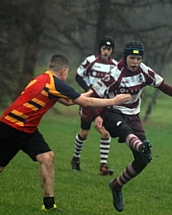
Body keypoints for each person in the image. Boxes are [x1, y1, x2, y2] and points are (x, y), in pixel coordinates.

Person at [0, 54, 131, 211]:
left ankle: (49, 205)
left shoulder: (43, 79)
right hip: (12, 127)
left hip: (26, 128)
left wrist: (94, 90)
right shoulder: (55, 84)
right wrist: (114, 101)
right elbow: (85, 102)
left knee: (47, 157)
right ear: (63, 71)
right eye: (66, 73)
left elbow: (69, 101)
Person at [90, 41, 172, 212]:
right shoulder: (115, 74)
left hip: (133, 116)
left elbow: (163, 86)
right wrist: (97, 115)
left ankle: (116, 185)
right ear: (125, 57)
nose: (135, 62)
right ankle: (140, 145)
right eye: (132, 58)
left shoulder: (144, 71)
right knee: (125, 131)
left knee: (144, 159)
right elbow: (93, 95)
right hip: (111, 113)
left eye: (138, 58)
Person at [70, 36, 118, 175]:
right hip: (88, 101)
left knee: (105, 132)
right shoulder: (90, 61)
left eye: (109, 49)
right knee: (84, 133)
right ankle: (76, 158)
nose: (106, 51)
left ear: (112, 51)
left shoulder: (114, 66)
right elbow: (78, 76)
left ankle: (103, 166)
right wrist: (87, 91)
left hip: (103, 103)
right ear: (100, 49)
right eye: (104, 48)